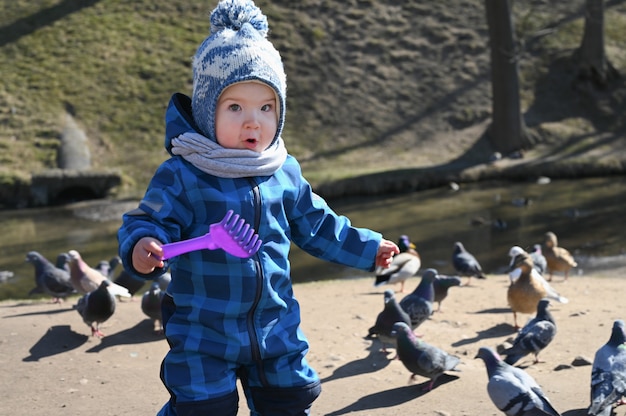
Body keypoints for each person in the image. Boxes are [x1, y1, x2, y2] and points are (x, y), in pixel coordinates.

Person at [117, 1, 399, 415]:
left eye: (266, 107)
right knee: (201, 408)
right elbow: (147, 220)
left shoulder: (282, 171)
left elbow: (318, 225)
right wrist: (144, 245)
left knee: (289, 402)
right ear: (206, 110)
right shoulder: (184, 174)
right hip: (202, 332)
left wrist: (367, 248)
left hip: (275, 326)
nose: (253, 122)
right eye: (235, 108)